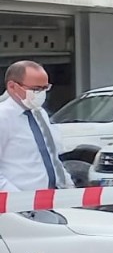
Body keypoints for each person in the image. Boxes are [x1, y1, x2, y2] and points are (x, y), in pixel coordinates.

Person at [0, 61, 69, 192]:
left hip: (53, 199)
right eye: (36, 89)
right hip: (20, 205)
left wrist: (68, 188)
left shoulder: (40, 113)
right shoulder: (3, 117)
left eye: (45, 88)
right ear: (12, 87)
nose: (41, 94)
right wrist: (19, 201)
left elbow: (52, 157)